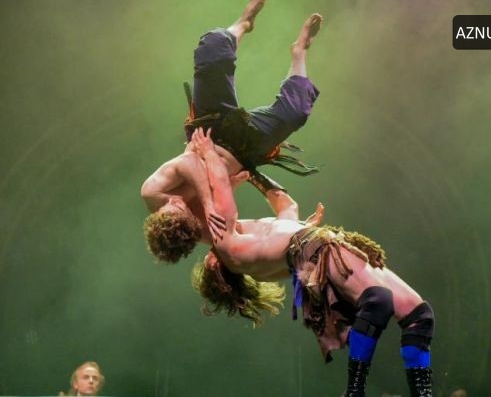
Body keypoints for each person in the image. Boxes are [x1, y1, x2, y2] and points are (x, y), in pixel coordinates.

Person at [186, 128, 435, 397]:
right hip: (316, 250)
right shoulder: (229, 250)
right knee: (378, 300)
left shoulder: (256, 240)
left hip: (321, 244)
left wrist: (252, 172)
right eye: (208, 257)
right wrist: (209, 154)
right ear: (216, 267)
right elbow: (220, 193)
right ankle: (354, 391)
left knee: (418, 315)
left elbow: (286, 204)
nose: (208, 250)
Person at [141, 0, 323, 263]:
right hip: (244, 152)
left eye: (170, 206)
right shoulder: (201, 230)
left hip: (210, 131)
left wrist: (207, 202)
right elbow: (245, 231)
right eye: (181, 209)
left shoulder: (152, 191)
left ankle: (243, 24)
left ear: (157, 218)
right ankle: (299, 52)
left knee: (212, 51)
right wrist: (298, 231)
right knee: (296, 113)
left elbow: (188, 164)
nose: (176, 201)